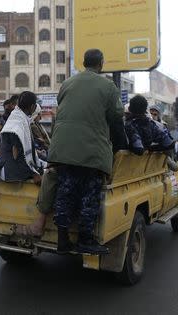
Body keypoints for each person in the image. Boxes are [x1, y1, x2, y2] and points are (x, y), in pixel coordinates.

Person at [48, 48, 125, 255]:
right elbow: (117, 115)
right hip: (91, 151)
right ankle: (85, 240)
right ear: (101, 63)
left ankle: (62, 240)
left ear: (83, 63)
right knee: (89, 196)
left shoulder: (67, 83)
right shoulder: (108, 86)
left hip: (62, 148)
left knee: (65, 193)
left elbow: (62, 105)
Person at [0, 91, 44, 183]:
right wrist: (34, 173)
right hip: (10, 170)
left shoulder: (19, 118)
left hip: (13, 166)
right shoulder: (17, 123)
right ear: (32, 106)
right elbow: (16, 155)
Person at [146, 103, 178, 171]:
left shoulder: (162, 125)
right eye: (151, 113)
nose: (152, 115)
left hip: (160, 149)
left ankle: (170, 162)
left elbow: (168, 141)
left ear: (158, 115)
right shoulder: (145, 122)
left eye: (155, 114)